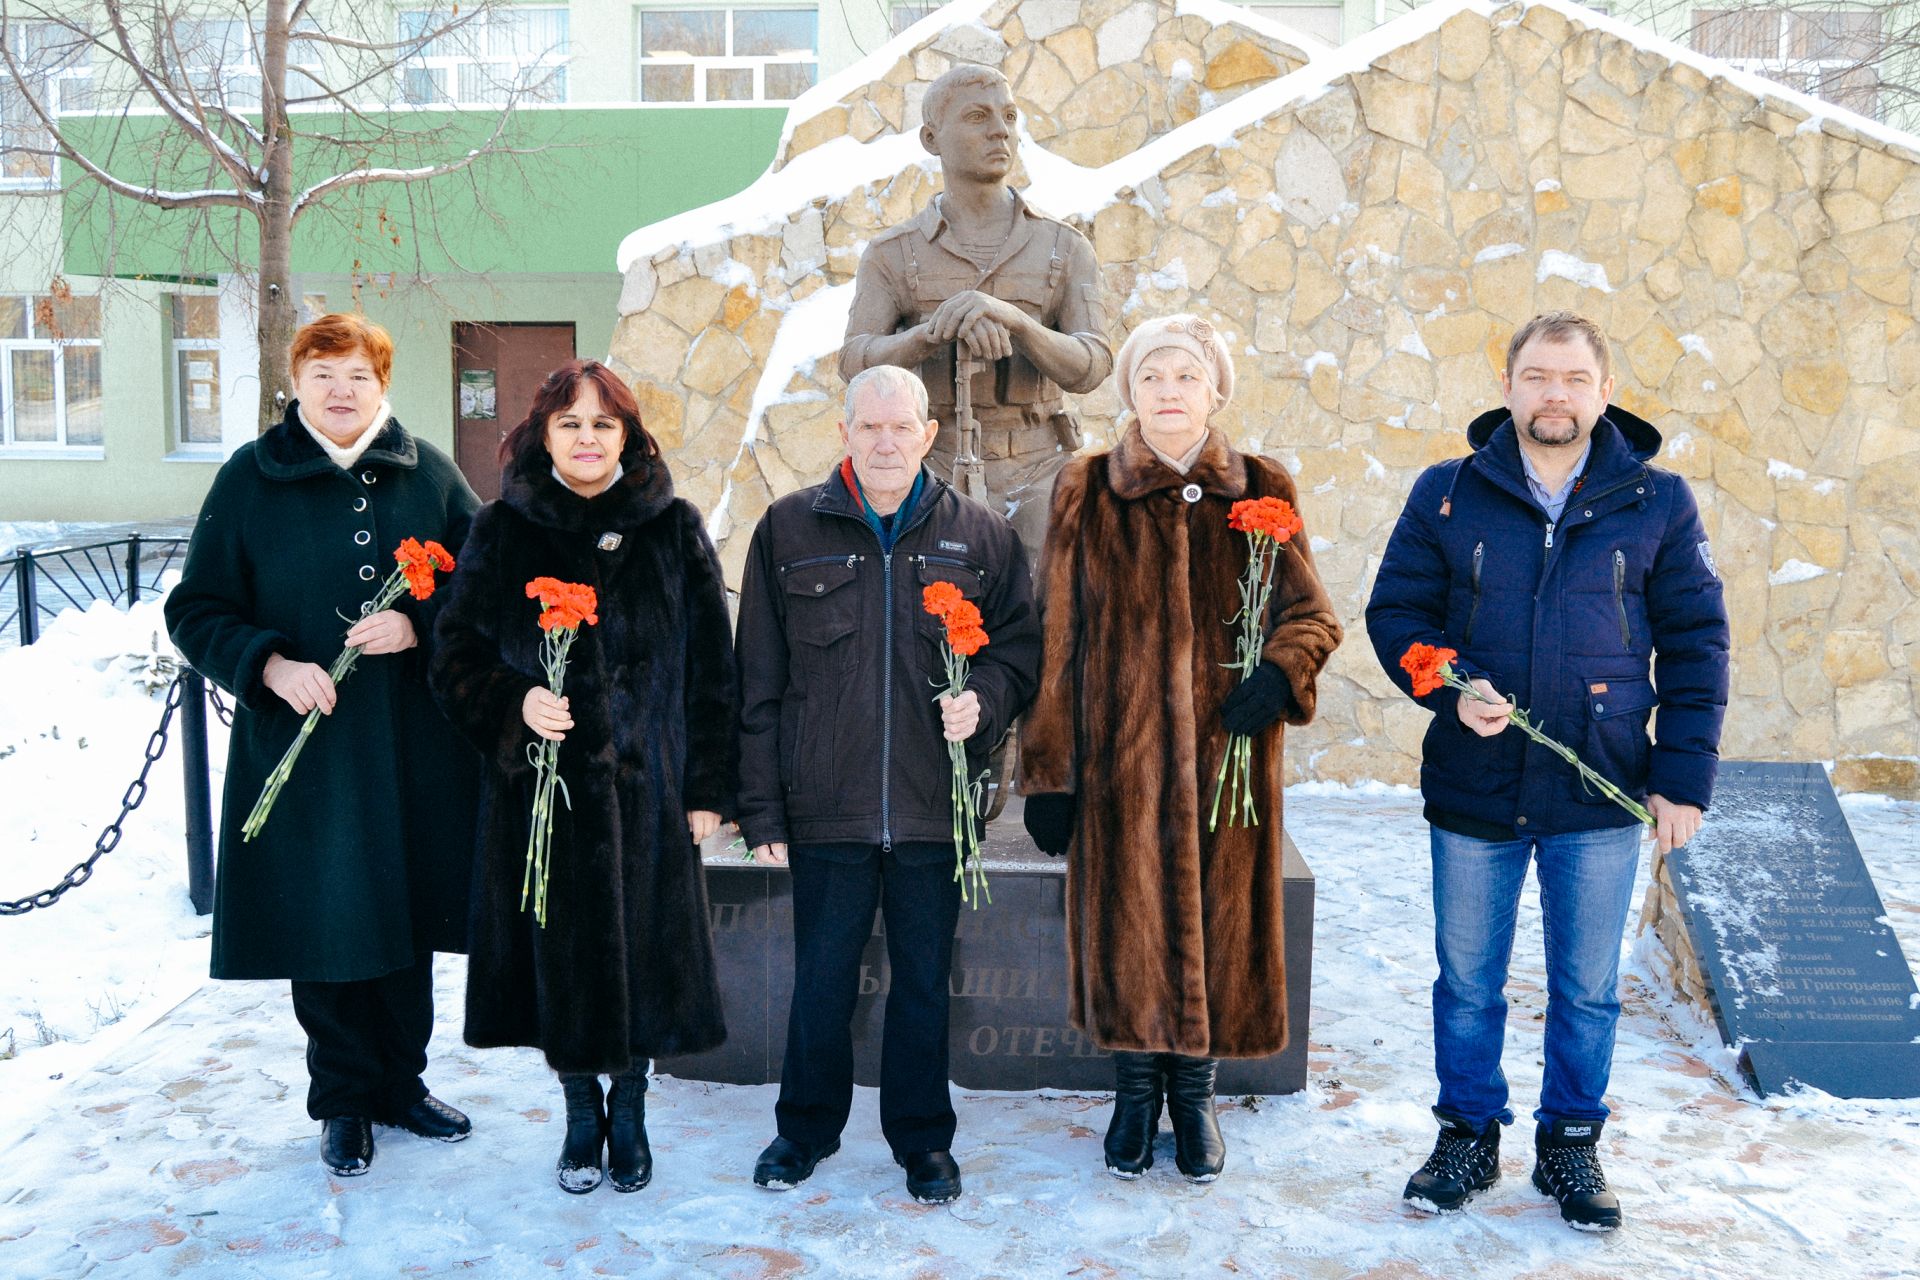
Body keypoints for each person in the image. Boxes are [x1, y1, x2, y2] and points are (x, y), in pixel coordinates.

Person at [1366, 311, 1730, 1232]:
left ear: (1603, 391)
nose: (1554, 394)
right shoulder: (1448, 493)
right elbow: (1397, 613)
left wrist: (1682, 780)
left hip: (1597, 785)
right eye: (1536, 376)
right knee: (1468, 978)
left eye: (1572, 378)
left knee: (1585, 986)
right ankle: (1467, 1133)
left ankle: (1570, 1143)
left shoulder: (1659, 501)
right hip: (1474, 784)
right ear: (1509, 386)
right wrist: (1448, 687)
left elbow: (1696, 646)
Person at [1018, 314, 1343, 1183]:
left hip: (1225, 764)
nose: (1169, 392)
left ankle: (1194, 1095)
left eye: (1186, 377)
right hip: (1117, 764)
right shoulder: (1085, 486)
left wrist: (1278, 675)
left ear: (1215, 390)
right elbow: (1056, 637)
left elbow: (1310, 614)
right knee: (1125, 922)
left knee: (1217, 919)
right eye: (1152, 376)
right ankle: (1134, 1093)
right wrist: (1048, 771)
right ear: (1129, 390)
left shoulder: (1262, 487)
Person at [165, 313, 481, 1178]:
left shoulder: (432, 477)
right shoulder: (249, 480)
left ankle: (402, 1085)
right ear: (297, 382)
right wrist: (267, 665)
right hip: (306, 749)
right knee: (331, 917)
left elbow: (483, 591)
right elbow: (194, 610)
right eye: (323, 373)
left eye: (358, 375)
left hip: (410, 745)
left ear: (383, 385)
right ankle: (343, 1098)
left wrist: (420, 625)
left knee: (405, 911)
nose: (341, 391)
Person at [428, 360, 737, 1195]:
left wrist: (708, 789)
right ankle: (576, 1113)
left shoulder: (672, 527)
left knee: (642, 954)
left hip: (651, 796)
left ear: (628, 435)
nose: (588, 439)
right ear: (544, 435)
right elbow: (452, 656)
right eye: (571, 423)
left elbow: (715, 667)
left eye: (605, 424)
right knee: (559, 961)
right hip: (542, 804)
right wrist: (514, 702)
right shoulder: (500, 530)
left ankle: (630, 1109)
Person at [735, 364, 1042, 1204]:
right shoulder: (789, 529)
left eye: (900, 427)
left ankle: (922, 1142)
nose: (884, 441)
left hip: (932, 809)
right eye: (868, 427)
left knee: (922, 987)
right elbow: (757, 678)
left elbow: (1019, 648)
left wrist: (983, 697)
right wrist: (761, 806)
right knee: (822, 983)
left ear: (927, 433)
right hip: (825, 805)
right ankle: (803, 1130)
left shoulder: (978, 535)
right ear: (843, 433)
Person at [840, 63, 1112, 560]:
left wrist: (1017, 322)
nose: (1000, 130)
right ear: (931, 138)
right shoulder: (892, 254)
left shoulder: (1064, 248)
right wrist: (928, 335)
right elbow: (854, 361)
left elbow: (1092, 364)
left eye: (1009, 116)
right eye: (977, 116)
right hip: (929, 474)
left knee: (1048, 624)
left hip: (1040, 477)